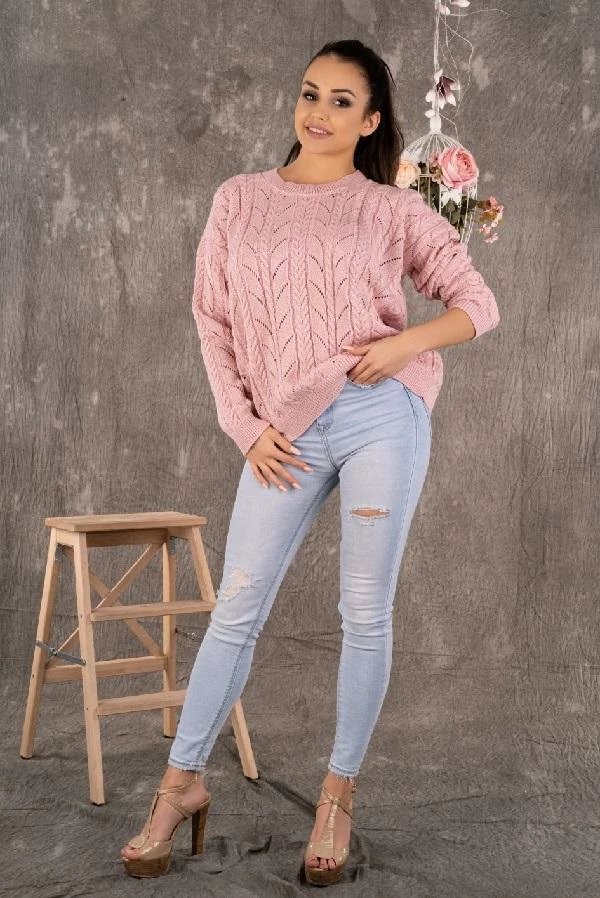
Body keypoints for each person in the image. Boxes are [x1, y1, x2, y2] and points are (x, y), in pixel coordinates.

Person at [120, 38, 500, 885]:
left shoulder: (391, 209)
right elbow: (212, 320)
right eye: (309, 93)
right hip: (280, 432)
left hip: (377, 418)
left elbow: (478, 305)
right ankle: (180, 787)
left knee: (363, 610)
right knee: (236, 609)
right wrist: (243, 426)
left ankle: (337, 795)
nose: (318, 112)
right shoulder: (239, 199)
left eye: (340, 101)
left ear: (370, 122)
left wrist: (402, 346)